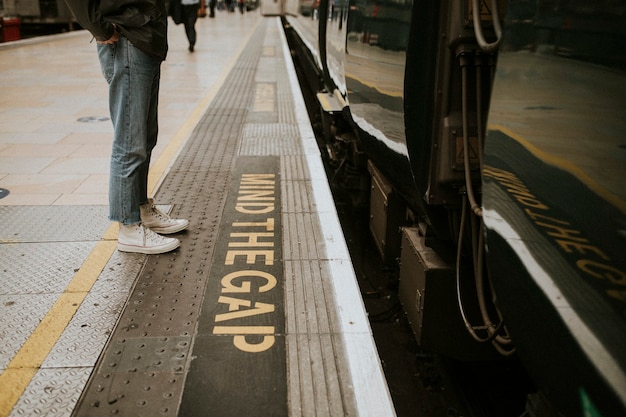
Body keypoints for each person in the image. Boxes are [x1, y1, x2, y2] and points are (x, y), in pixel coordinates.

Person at [63, 0, 189, 255]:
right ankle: (129, 227)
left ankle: (141, 208)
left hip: (144, 39)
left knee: (145, 138)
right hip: (127, 38)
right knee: (130, 142)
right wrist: (101, 30)